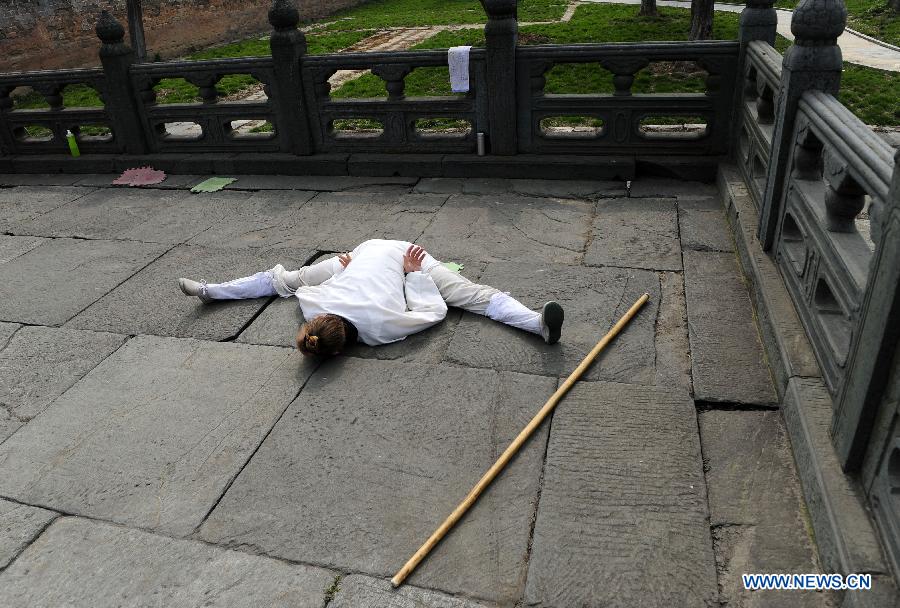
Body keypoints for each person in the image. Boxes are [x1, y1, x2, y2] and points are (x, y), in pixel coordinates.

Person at [178, 239, 564, 357]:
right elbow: (433, 310)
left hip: (358, 262)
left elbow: (426, 313)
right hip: (400, 257)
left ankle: (212, 291)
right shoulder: (315, 310)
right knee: (476, 296)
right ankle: (534, 322)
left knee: (286, 280)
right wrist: (413, 275)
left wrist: (343, 270)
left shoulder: (378, 330)